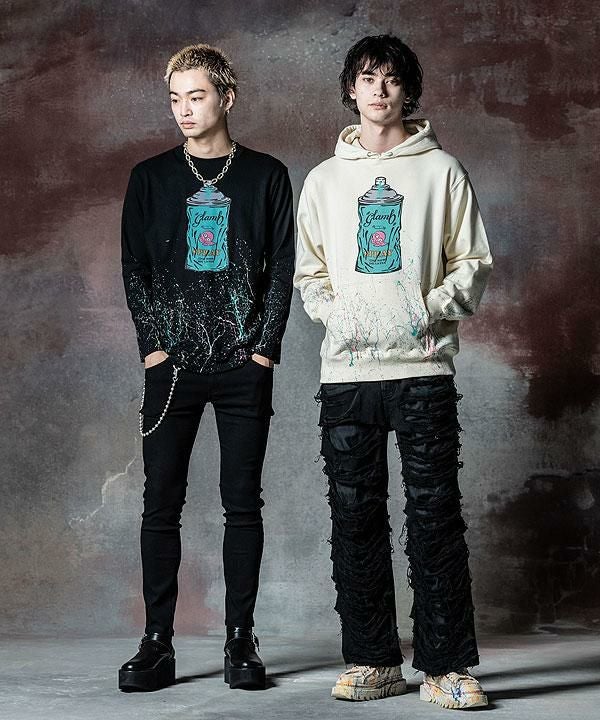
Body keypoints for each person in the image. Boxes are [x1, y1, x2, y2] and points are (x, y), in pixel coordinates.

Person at [294, 34, 492, 710]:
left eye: (391, 79)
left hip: (422, 368)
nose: (379, 90)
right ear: (350, 89)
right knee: (354, 519)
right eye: (366, 78)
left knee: (435, 518)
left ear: (409, 90)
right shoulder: (324, 180)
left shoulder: (442, 171)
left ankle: (445, 667)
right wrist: (341, 317)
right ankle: (374, 661)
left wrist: (423, 312)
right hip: (346, 375)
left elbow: (473, 264)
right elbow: (310, 273)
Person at [118, 43, 294, 692]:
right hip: (172, 367)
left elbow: (283, 267)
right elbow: (134, 267)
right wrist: (153, 347)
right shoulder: (150, 178)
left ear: (227, 97)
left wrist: (264, 349)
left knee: (242, 504)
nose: (184, 110)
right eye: (175, 99)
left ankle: (240, 640)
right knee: (160, 504)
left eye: (196, 96)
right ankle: (156, 643)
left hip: (243, 364)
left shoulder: (266, 175)